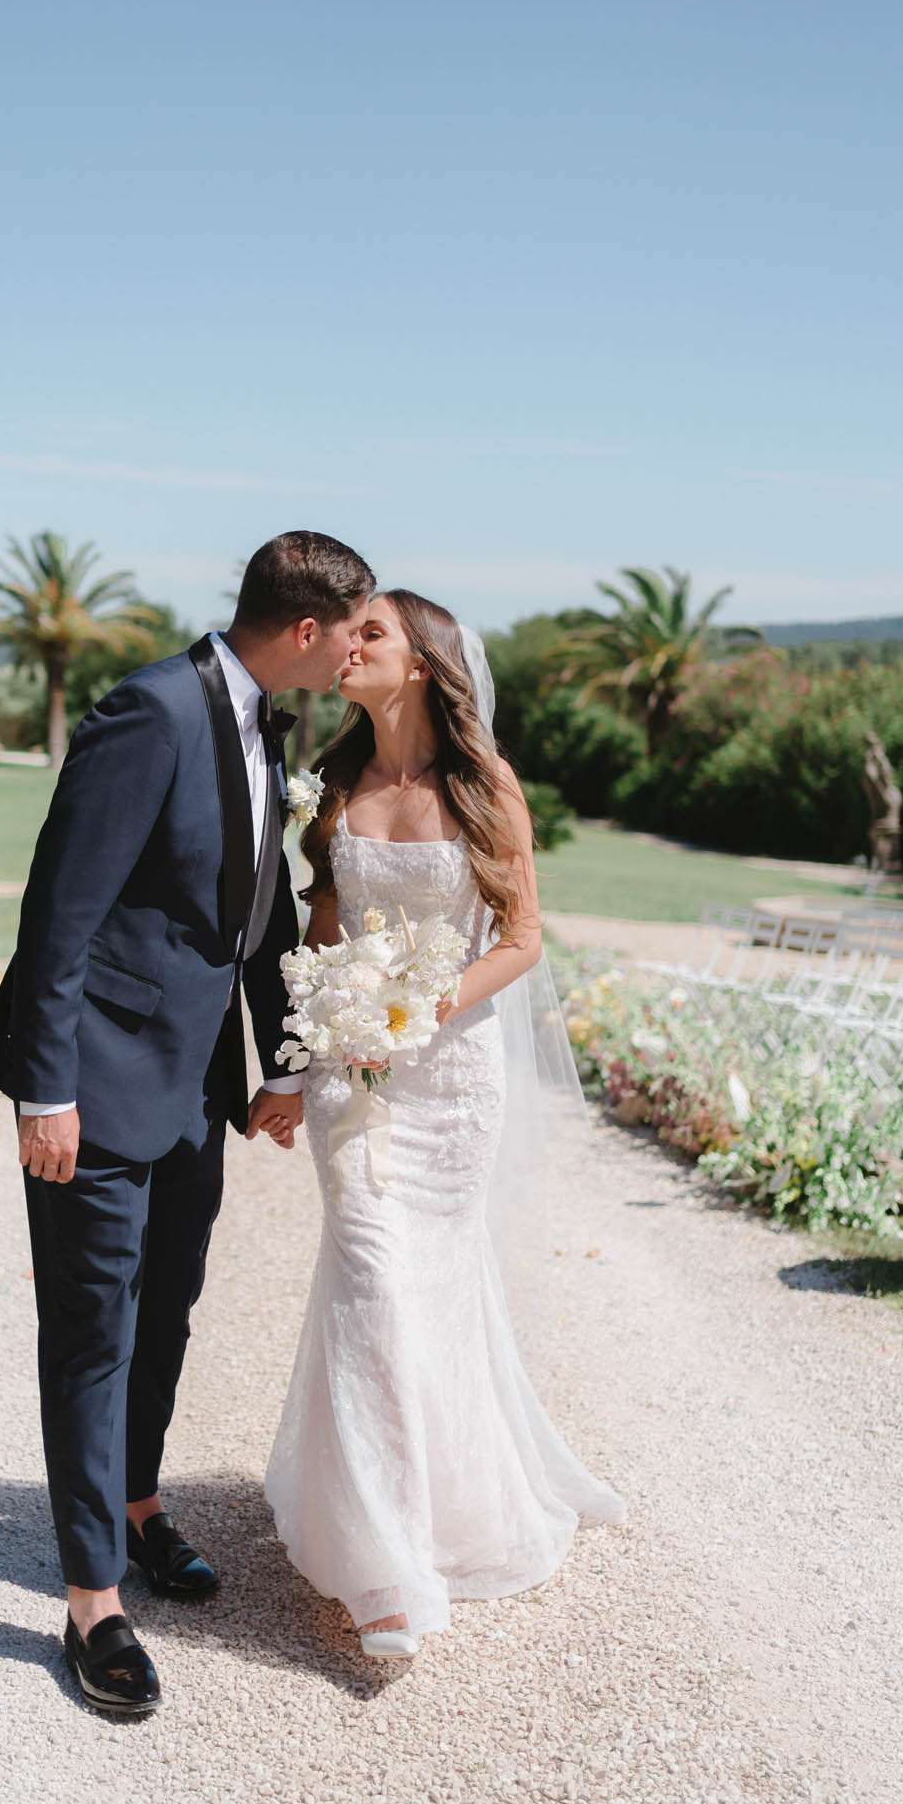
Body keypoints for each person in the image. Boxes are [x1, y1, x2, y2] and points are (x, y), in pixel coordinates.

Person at [0, 530, 374, 1715]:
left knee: (168, 1311)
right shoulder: (147, 713)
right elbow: (61, 906)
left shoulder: (263, 725)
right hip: (95, 1083)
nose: (359, 647)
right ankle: (93, 1596)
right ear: (305, 631)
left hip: (197, 1086)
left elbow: (250, 917)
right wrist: (47, 1087)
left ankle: (138, 1503)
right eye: (354, 628)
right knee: (93, 1329)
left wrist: (277, 1063)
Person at [265, 589, 626, 1659]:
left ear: (422, 661)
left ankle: (446, 1507)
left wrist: (417, 1009)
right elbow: (321, 935)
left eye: (370, 632)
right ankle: (385, 1563)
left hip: (453, 1072)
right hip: (355, 1077)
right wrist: (303, 1058)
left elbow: (521, 938)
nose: (347, 647)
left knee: (432, 1284)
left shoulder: (484, 785)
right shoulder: (333, 786)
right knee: (371, 1272)